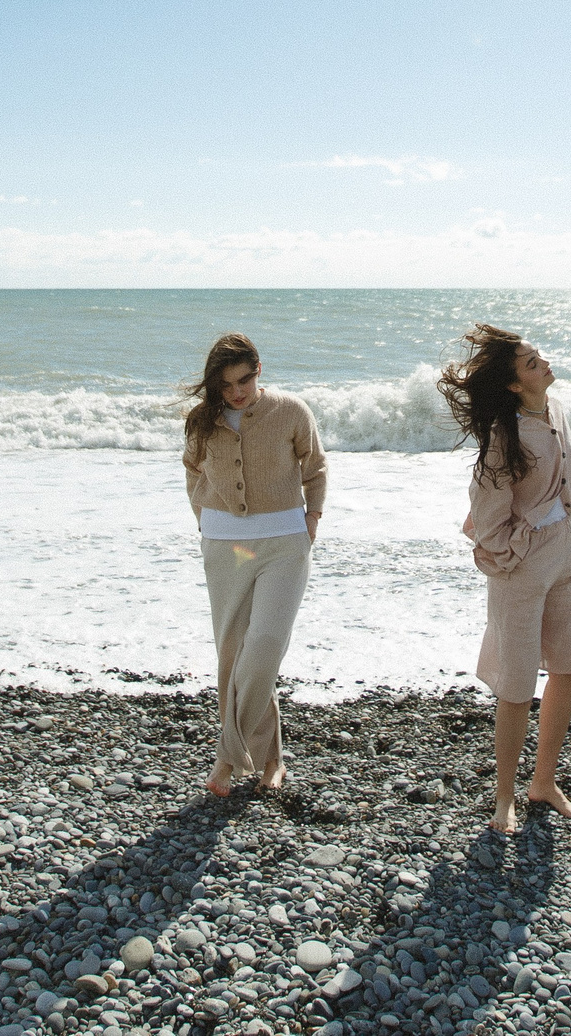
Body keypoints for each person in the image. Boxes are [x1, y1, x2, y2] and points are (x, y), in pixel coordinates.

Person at [441, 323, 571, 834]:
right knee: (517, 684)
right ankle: (505, 796)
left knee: (568, 668)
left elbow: (564, 476)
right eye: (532, 363)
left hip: (568, 559)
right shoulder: (504, 438)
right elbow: (485, 512)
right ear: (513, 384)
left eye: (539, 357)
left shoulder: (556, 410)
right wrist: (511, 557)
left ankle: (543, 782)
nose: (544, 364)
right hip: (522, 570)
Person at [180, 332, 326, 798]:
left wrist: (312, 517)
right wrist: (205, 519)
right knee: (233, 655)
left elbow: (315, 466)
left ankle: (226, 759)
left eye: (243, 380)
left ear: (259, 369)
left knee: (263, 648)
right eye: (225, 385)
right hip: (227, 547)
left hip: (284, 544)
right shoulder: (201, 421)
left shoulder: (290, 410)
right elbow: (192, 470)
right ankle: (272, 759)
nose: (236, 392)